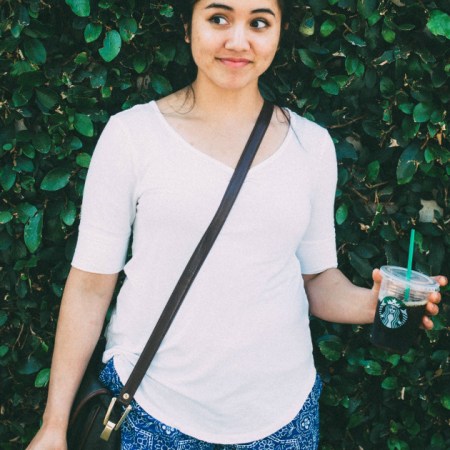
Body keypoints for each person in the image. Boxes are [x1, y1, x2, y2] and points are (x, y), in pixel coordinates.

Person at [27, 1, 446, 449]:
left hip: (283, 420)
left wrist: (375, 304)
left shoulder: (311, 146)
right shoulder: (132, 135)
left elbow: (317, 280)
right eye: (218, 18)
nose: (238, 40)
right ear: (188, 28)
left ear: (279, 34)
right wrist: (54, 426)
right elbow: (90, 287)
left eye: (259, 22)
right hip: (152, 411)